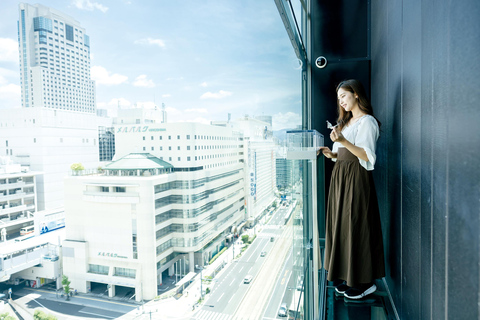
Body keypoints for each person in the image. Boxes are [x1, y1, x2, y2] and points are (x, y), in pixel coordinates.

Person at [317, 79, 385, 299]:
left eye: (344, 96)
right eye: (339, 99)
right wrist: (331, 153)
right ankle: (348, 276)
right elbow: (343, 155)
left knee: (357, 225)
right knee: (343, 225)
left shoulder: (367, 122)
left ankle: (365, 282)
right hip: (342, 177)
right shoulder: (346, 123)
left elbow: (367, 156)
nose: (341, 102)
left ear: (356, 94)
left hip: (356, 177)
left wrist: (344, 142)